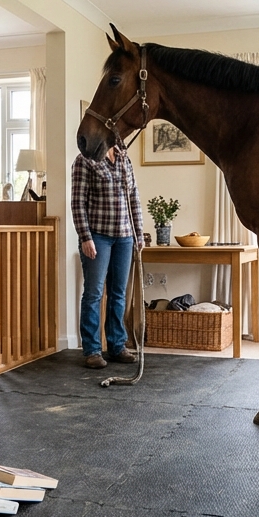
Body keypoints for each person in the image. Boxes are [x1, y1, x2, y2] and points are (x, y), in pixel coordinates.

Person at [71, 143, 144, 369]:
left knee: (118, 294)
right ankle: (92, 350)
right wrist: (85, 237)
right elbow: (77, 202)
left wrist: (139, 234)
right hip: (97, 237)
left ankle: (116, 346)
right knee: (93, 294)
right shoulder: (85, 160)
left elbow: (134, 198)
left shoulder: (124, 159)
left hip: (124, 237)